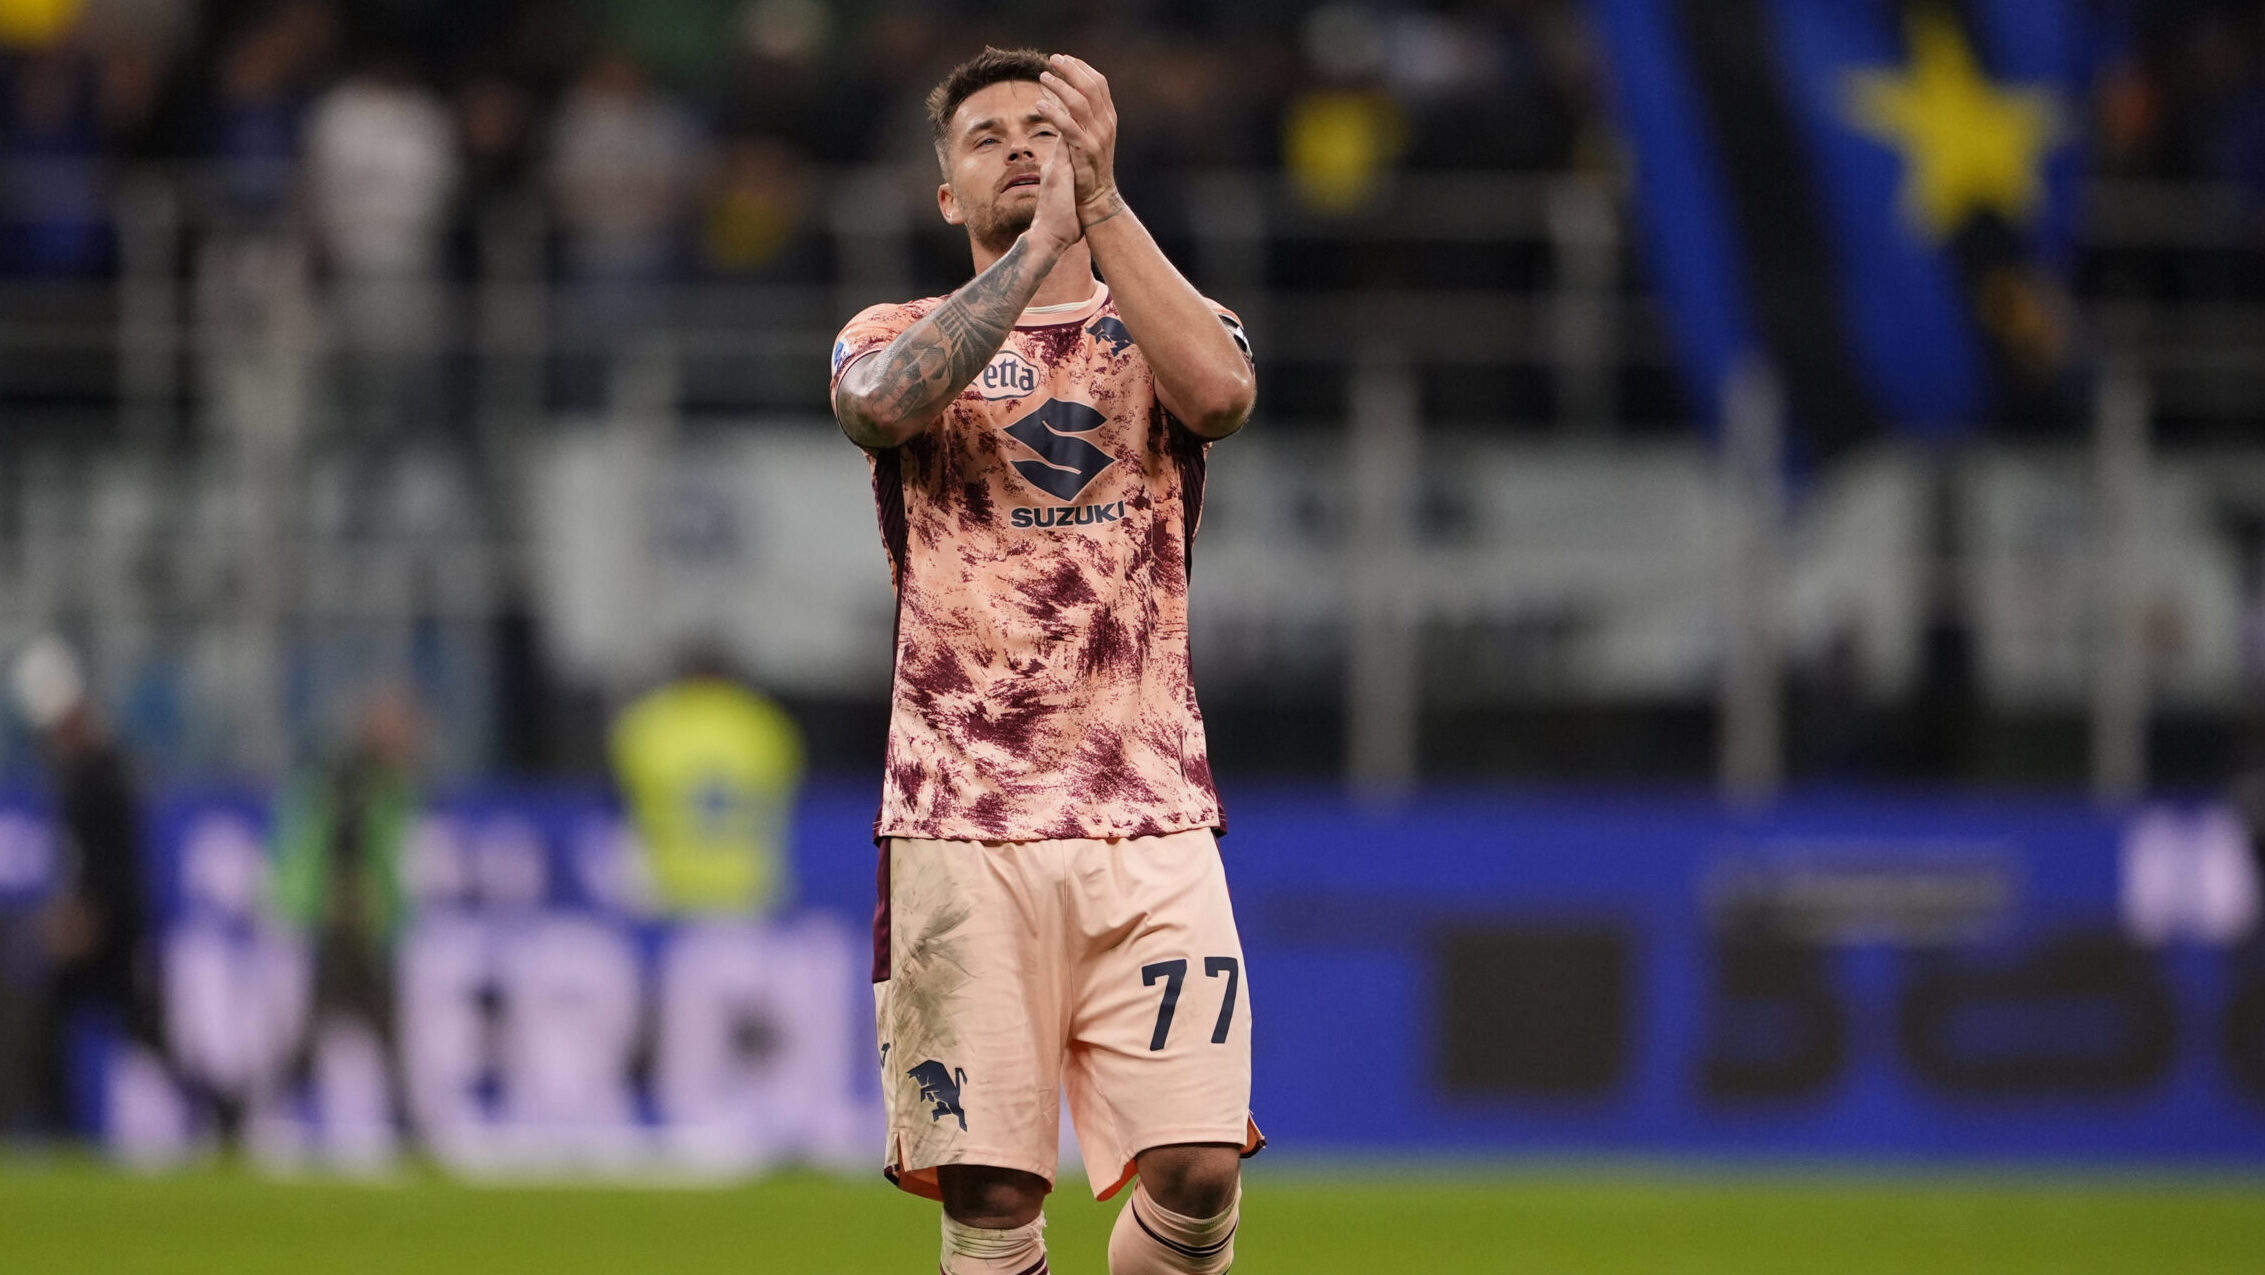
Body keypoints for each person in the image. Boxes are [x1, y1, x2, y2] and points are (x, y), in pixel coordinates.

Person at [829, 48, 1260, 1275]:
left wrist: (1105, 215)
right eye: (986, 138)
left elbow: (1223, 394)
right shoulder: (894, 330)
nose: (1019, 146)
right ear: (948, 198)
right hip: (960, 820)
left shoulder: (1169, 319)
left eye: (1044, 127)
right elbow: (882, 410)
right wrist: (1033, 255)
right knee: (995, 1193)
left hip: (1152, 809)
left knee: (1195, 1173)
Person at [7, 637, 160, 1141]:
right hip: (104, 920)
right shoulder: (84, 774)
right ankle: (51, 1126)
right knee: (58, 1019)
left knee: (143, 1031)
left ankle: (223, 1114)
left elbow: (115, 868)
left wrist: (86, 918)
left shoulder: (102, 776)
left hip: (117, 925)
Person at [610, 653, 804, 917]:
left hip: (665, 887)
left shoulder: (649, 723)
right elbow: (785, 791)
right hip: (747, 889)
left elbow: (621, 795)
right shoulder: (765, 724)